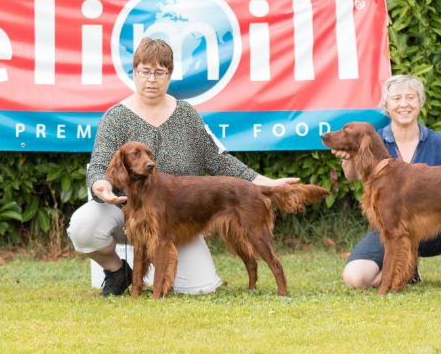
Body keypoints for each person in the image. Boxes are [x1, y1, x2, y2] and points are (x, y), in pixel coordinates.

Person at [67, 37, 300, 296]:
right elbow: (99, 163)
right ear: (134, 73)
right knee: (83, 227)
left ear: (169, 75)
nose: (151, 79)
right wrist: (101, 185)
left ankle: (157, 268)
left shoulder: (186, 114)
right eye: (145, 71)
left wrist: (263, 181)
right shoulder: (116, 117)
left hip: (175, 217)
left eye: (159, 72)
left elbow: (217, 159)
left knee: (199, 288)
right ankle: (115, 271)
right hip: (124, 210)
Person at [334, 74, 441, 291]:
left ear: (420, 103)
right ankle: (406, 270)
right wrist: (348, 158)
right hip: (390, 229)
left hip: (434, 228)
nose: (404, 104)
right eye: (397, 98)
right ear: (386, 105)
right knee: (355, 278)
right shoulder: (375, 140)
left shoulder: (437, 141)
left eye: (411, 98)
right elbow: (353, 176)